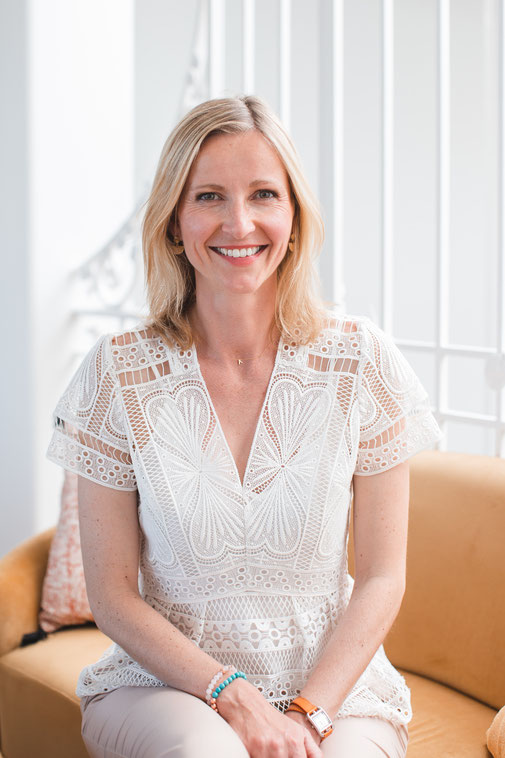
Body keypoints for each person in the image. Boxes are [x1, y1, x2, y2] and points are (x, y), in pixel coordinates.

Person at [46, 95, 443, 758]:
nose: (239, 223)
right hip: (164, 686)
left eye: (263, 194)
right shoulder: (117, 373)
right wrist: (235, 696)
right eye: (209, 197)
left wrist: (308, 715)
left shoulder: (360, 361)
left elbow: (381, 578)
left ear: (293, 216)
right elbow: (111, 596)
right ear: (175, 222)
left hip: (336, 692)